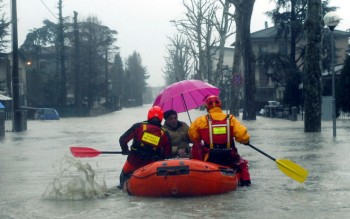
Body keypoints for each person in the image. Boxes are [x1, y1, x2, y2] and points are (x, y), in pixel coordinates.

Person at [188, 95, 251, 186]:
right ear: (220, 105)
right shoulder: (231, 119)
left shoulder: (200, 121)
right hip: (229, 156)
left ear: (206, 107)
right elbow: (242, 136)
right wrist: (246, 141)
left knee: (196, 148)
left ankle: (198, 176)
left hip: (210, 156)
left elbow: (193, 137)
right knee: (243, 165)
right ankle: (246, 183)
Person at [118, 106, 172, 189]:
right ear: (161, 118)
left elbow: (122, 140)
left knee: (124, 175)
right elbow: (167, 154)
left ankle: (122, 187)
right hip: (151, 166)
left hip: (133, 162)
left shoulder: (139, 127)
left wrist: (125, 150)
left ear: (149, 115)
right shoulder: (164, 133)